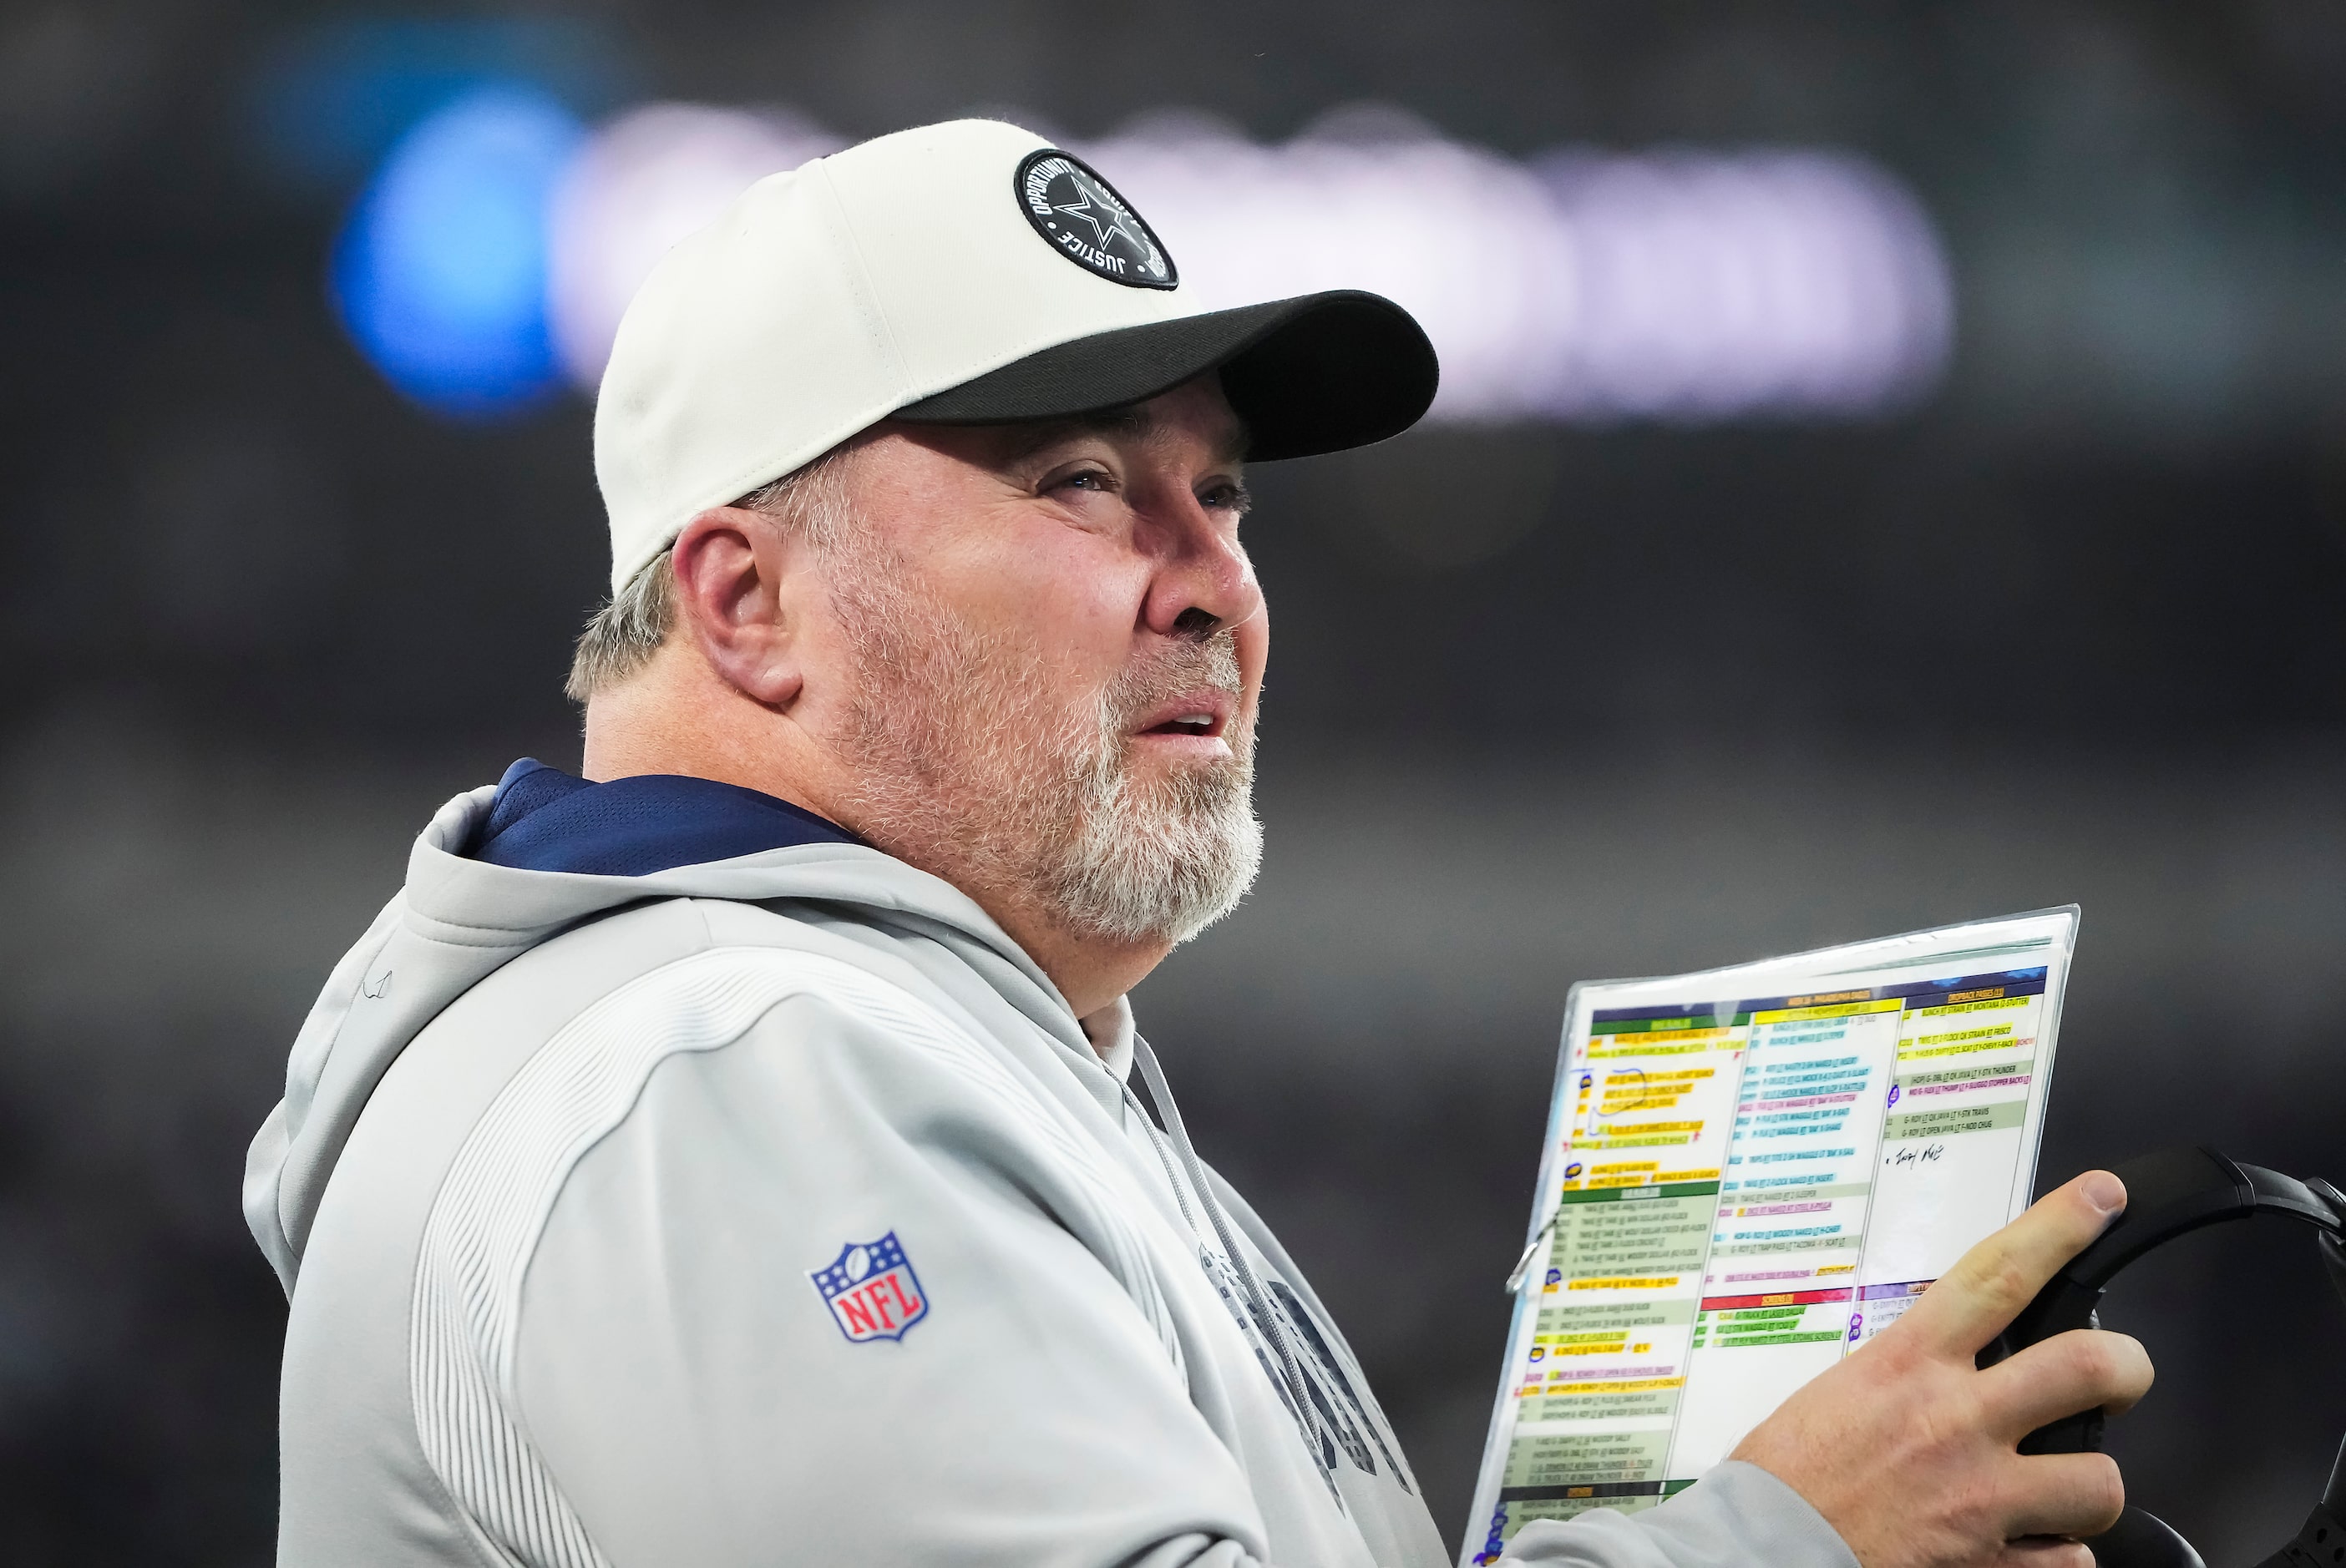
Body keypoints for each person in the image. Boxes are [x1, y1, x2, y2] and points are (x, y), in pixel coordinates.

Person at [245, 119, 2151, 1568]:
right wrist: (1780, 1537)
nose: (1219, 585)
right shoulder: (717, 1070)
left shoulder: (918, 1046)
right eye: (1083, 480)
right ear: (744, 605)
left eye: (1219, 494)